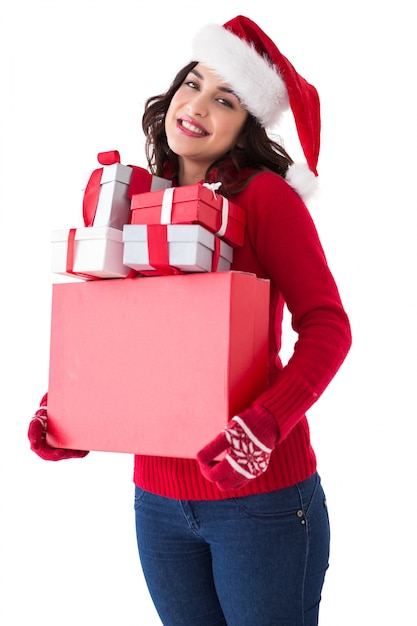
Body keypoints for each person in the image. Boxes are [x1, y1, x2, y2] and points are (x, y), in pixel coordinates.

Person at [28, 15, 352, 626]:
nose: (196, 106)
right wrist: (67, 406)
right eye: (192, 84)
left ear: (245, 125)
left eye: (224, 99)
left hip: (262, 503)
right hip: (157, 501)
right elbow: (131, 333)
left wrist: (263, 426)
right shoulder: (133, 198)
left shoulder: (264, 199)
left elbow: (328, 326)